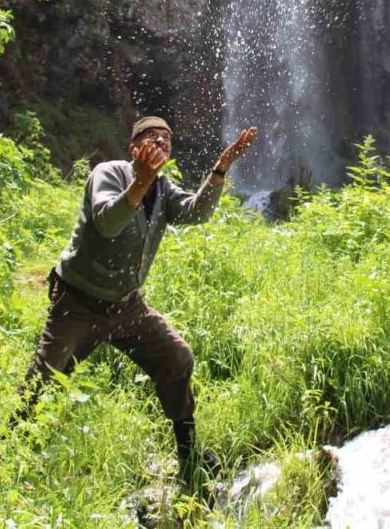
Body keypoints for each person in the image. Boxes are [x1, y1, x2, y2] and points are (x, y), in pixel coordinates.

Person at [19, 116, 257, 480]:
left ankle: (189, 454)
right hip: (79, 300)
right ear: (134, 149)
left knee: (177, 358)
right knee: (45, 376)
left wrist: (221, 168)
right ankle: (10, 452)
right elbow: (107, 222)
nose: (161, 142)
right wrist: (141, 179)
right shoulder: (109, 173)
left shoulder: (162, 188)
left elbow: (196, 213)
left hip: (126, 304)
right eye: (152, 137)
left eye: (166, 138)